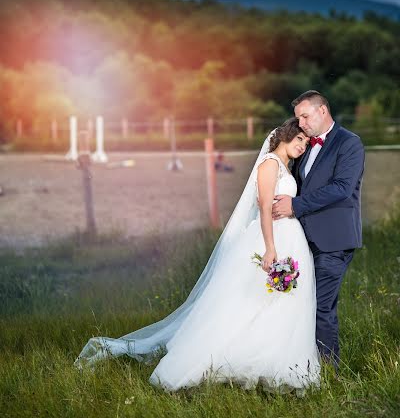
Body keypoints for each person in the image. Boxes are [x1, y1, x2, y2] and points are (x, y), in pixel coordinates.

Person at [75, 118, 320, 391]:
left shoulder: (287, 167)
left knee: (278, 305)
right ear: (285, 136)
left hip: (290, 238)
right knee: (250, 302)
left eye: (306, 142)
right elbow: (264, 208)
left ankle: (278, 361)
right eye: (299, 139)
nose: (302, 145)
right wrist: (270, 249)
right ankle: (227, 359)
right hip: (272, 239)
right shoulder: (270, 164)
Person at [272, 91, 365, 368]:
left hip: (333, 240)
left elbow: (341, 189)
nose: (300, 123)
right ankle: (300, 364)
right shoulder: (305, 146)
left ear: (322, 110)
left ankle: (328, 371)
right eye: (299, 117)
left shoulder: (349, 143)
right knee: (300, 306)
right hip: (302, 240)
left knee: (320, 307)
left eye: (305, 116)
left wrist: (296, 206)